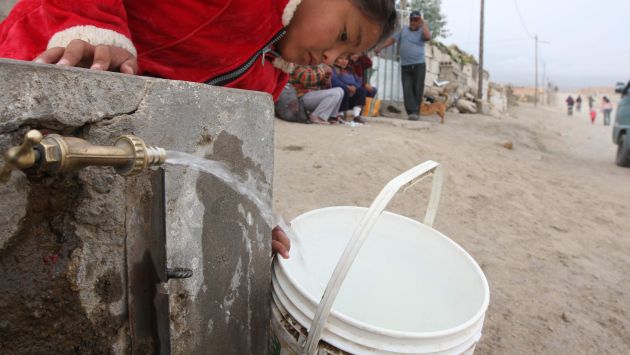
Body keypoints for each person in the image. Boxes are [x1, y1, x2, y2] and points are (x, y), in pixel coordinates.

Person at [0, 0, 399, 259]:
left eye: (347, 55)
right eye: (344, 35)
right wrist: (94, 27)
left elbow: (219, 152)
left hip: (104, 151)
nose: (331, 57)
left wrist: (255, 215)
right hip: (49, 61)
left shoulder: (268, 73)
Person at [375, 10, 431, 121]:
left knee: (417, 88)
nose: (413, 22)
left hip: (419, 64)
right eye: (412, 19)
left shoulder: (422, 30)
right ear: (409, 20)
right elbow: (392, 40)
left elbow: (427, 37)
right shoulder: (404, 30)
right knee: (407, 88)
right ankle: (411, 112)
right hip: (405, 65)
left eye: (416, 20)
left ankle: (416, 111)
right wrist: (380, 47)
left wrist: (423, 23)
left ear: (419, 20)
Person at [331, 55, 368, 123]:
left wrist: (355, 87)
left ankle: (356, 115)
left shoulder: (349, 70)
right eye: (341, 58)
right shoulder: (333, 69)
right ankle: (340, 115)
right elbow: (334, 81)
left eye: (346, 59)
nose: (344, 61)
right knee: (344, 89)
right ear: (335, 60)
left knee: (362, 90)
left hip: (351, 95)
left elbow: (359, 80)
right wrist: (347, 87)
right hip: (341, 95)